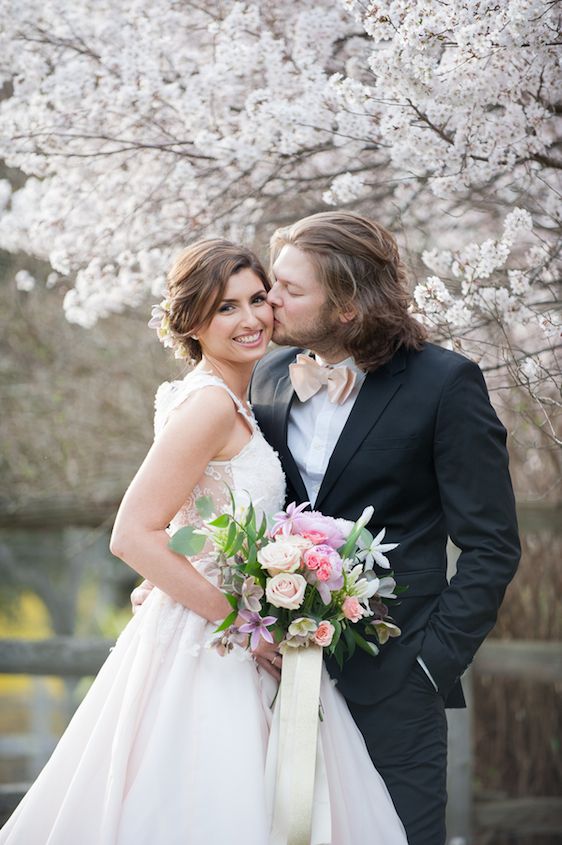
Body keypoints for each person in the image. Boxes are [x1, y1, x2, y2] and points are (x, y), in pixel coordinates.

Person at [0, 238, 408, 845]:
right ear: (191, 319)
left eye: (256, 300)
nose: (250, 320)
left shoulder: (235, 399)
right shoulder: (211, 406)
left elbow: (195, 518)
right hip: (213, 644)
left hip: (229, 628)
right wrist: (245, 624)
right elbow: (132, 533)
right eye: (225, 308)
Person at [248, 211, 521, 845]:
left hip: (397, 682)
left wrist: (431, 663)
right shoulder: (268, 374)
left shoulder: (445, 383)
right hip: (277, 679)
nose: (269, 299)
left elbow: (492, 543)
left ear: (345, 308)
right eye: (272, 282)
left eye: (291, 289)